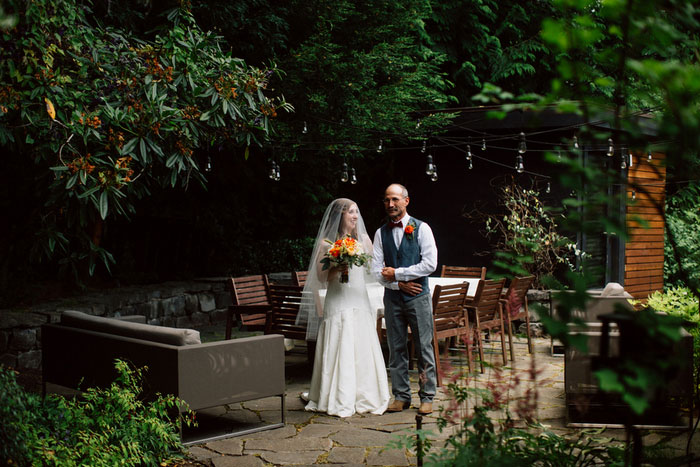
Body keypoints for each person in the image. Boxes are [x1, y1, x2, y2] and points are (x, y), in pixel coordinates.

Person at [298, 198, 390, 417]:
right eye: (351, 212)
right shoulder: (326, 244)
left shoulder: (365, 240)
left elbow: (375, 269)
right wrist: (338, 266)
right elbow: (320, 278)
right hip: (338, 298)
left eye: (357, 212)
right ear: (340, 216)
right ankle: (336, 394)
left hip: (359, 297)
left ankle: (364, 392)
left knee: (361, 340)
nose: (355, 216)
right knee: (338, 337)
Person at [372, 183, 438, 415]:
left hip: (418, 298)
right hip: (392, 298)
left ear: (406, 201)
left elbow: (430, 264)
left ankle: (427, 396)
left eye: (395, 200)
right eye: (387, 200)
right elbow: (375, 270)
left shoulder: (422, 228)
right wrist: (397, 283)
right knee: (395, 347)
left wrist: (398, 273)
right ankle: (401, 396)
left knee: (423, 346)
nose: (390, 204)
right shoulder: (381, 233)